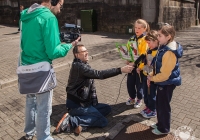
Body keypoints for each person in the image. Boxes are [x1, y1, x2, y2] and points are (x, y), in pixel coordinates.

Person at [19, 0, 80, 140]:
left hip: (26, 67)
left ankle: (29, 132)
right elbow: (53, 52)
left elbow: (32, 40)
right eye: (61, 5)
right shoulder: (49, 17)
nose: (60, 9)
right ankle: (44, 137)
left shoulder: (25, 16)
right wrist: (70, 45)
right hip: (41, 70)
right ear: (52, 2)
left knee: (30, 102)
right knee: (43, 107)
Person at [53, 44, 134, 135]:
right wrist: (120, 70)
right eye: (83, 52)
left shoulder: (83, 64)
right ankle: (71, 120)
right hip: (77, 105)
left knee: (107, 109)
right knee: (103, 121)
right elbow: (99, 74)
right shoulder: (79, 66)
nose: (86, 53)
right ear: (76, 55)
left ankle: (83, 125)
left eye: (86, 51)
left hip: (85, 103)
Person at [147, 23, 183, 135]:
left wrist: (152, 78)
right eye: (157, 35)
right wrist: (151, 74)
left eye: (160, 36)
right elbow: (157, 66)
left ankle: (164, 129)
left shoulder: (169, 52)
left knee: (163, 106)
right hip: (162, 82)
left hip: (166, 83)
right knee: (159, 104)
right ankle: (160, 123)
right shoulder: (163, 47)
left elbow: (165, 74)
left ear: (168, 37)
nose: (157, 38)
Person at [125, 19, 150, 108]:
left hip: (140, 67)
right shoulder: (131, 38)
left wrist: (134, 64)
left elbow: (143, 55)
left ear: (144, 29)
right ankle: (132, 97)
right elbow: (127, 50)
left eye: (139, 28)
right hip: (131, 66)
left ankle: (139, 98)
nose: (136, 29)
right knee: (130, 83)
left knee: (139, 85)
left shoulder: (146, 39)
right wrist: (126, 59)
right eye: (135, 27)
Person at [138, 30, 159, 118]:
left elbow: (153, 67)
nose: (148, 45)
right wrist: (141, 68)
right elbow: (147, 64)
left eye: (149, 43)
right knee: (146, 93)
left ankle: (153, 110)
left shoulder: (157, 53)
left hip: (152, 78)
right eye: (147, 43)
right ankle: (148, 106)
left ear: (155, 41)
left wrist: (150, 77)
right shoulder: (149, 51)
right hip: (146, 76)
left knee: (151, 94)